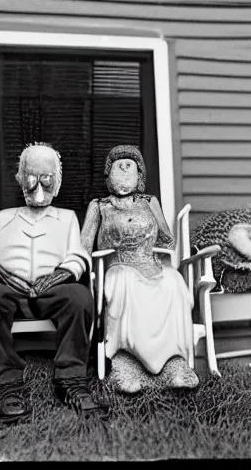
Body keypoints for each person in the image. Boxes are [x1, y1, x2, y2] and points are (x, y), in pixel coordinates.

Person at [0, 142, 107, 426]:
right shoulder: (4, 218)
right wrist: (5, 276)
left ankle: (70, 380)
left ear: (57, 181)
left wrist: (56, 277)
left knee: (79, 298)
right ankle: (6, 385)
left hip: (53, 289)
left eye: (46, 179)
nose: (39, 187)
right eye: (32, 178)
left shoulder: (67, 217)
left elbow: (78, 256)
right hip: (7, 289)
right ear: (21, 178)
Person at [81, 145, 199, 394]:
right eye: (118, 165)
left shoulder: (149, 202)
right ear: (109, 173)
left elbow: (166, 239)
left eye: (130, 165)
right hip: (118, 266)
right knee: (124, 283)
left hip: (150, 264)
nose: (124, 169)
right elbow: (83, 247)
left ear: (139, 174)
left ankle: (174, 365)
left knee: (173, 282)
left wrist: (156, 251)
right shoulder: (99, 205)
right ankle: (125, 364)